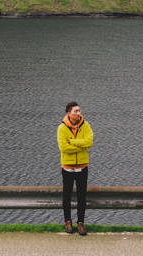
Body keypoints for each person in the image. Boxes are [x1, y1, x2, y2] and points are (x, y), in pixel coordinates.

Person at [57, 101, 93, 236]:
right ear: (69, 113)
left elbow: (88, 142)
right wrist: (80, 145)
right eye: (75, 111)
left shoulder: (86, 125)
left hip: (82, 167)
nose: (79, 113)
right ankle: (67, 221)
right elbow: (63, 147)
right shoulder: (61, 128)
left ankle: (81, 223)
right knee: (67, 196)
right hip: (67, 167)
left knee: (81, 196)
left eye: (79, 110)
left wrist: (72, 141)